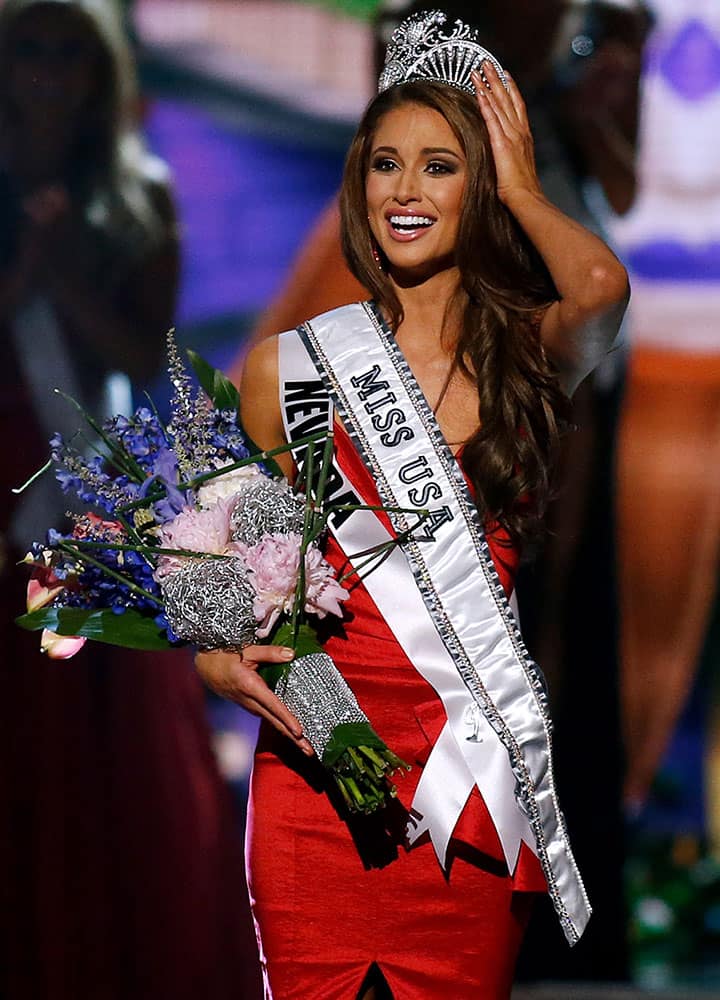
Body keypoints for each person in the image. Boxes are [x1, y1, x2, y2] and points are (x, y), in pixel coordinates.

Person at [197, 10, 629, 999]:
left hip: (465, 784)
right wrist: (215, 640)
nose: (406, 188)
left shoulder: (521, 359)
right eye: (385, 162)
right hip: (320, 769)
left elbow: (600, 285)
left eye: (440, 164)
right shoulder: (286, 372)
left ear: (478, 186)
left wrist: (521, 184)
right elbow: (212, 525)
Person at [0, 2, 259, 997]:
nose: (51, 74)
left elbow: (145, 362)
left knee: (115, 754)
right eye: (31, 48)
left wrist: (62, 281)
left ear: (102, 73)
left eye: (72, 53)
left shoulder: (137, 197)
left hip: (81, 500)